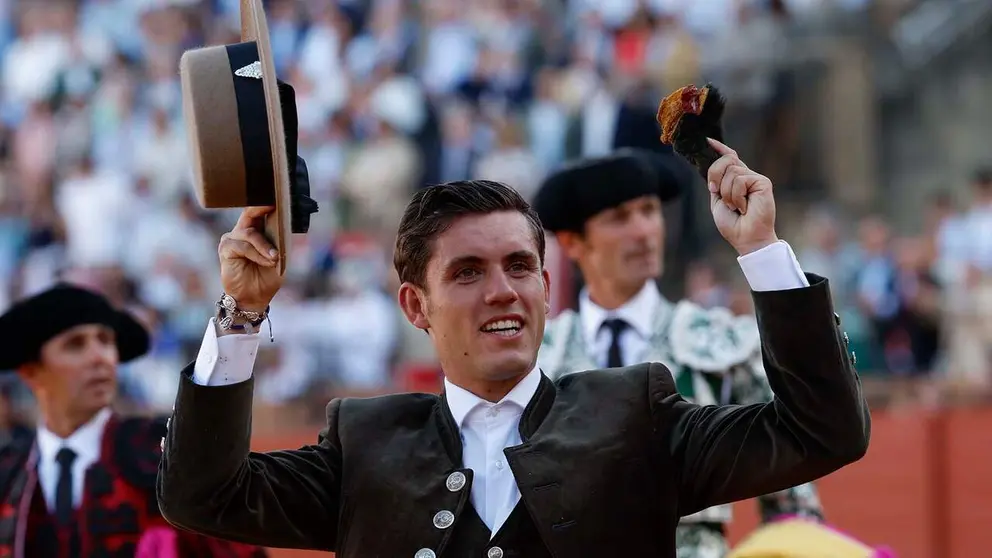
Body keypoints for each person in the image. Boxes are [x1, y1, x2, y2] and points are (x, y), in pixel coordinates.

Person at [157, 139, 870, 557]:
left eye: (519, 267)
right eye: (467, 273)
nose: (502, 291)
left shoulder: (637, 413)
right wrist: (242, 313)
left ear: (545, 284)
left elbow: (821, 431)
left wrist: (764, 254)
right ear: (416, 306)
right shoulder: (366, 442)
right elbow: (200, 495)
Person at [533, 149, 824, 557]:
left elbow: (793, 505)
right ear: (572, 241)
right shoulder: (537, 359)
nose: (643, 231)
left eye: (649, 211)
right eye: (619, 217)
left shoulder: (720, 344)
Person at [0, 283, 268, 557]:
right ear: (31, 371)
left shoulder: (166, 452)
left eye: (105, 340)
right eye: (75, 344)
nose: (100, 357)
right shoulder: (9, 474)